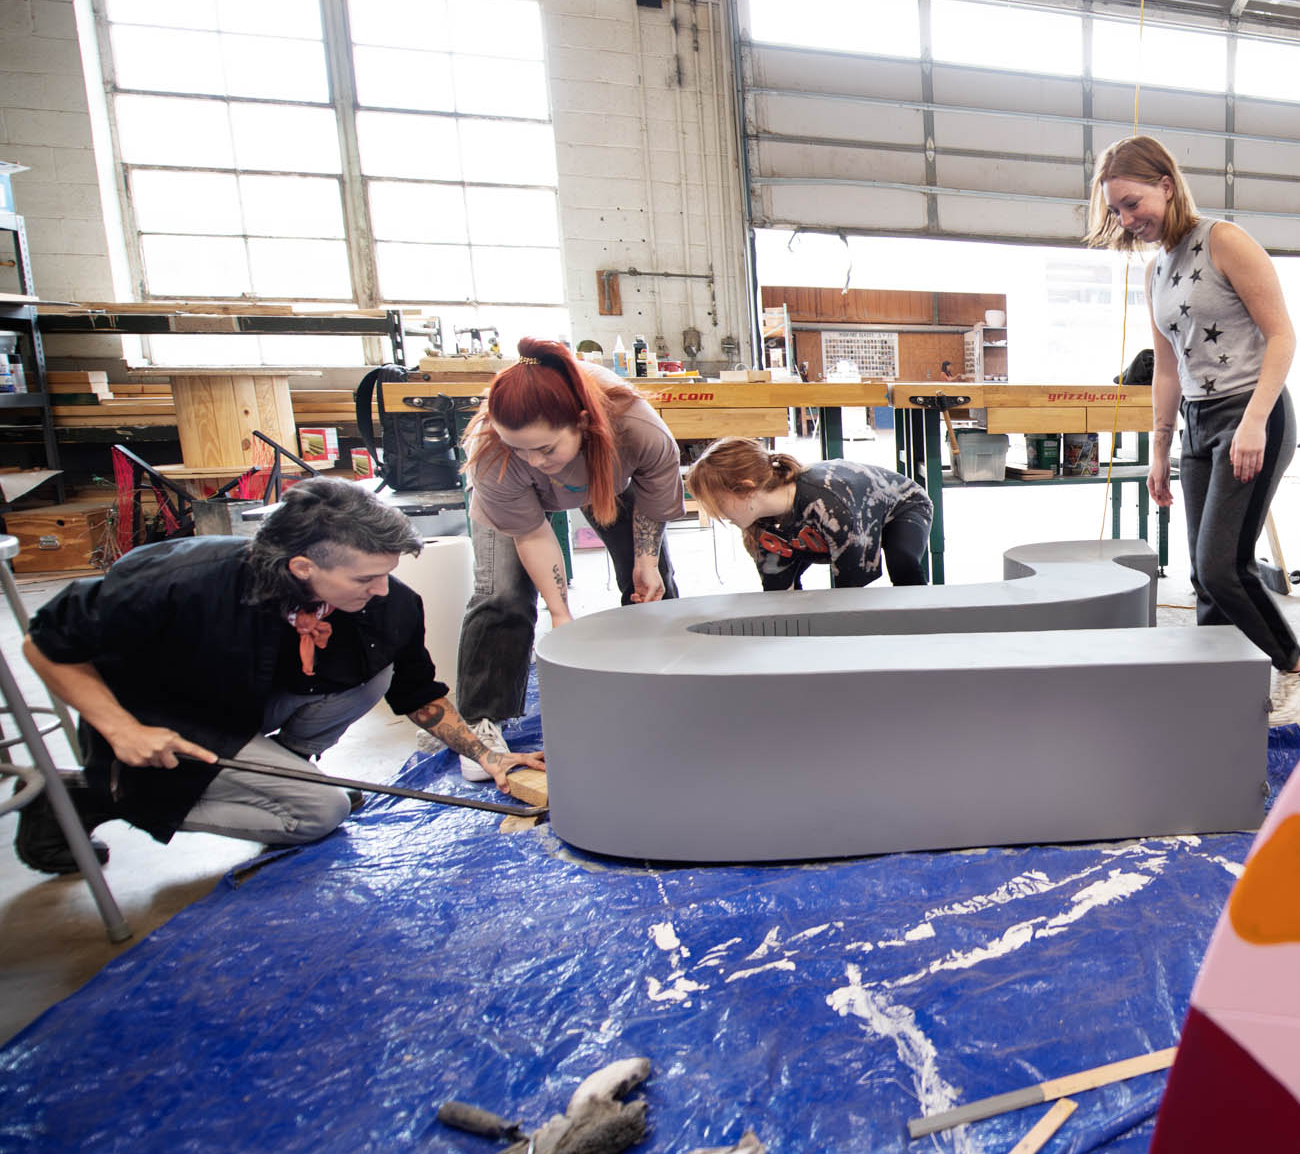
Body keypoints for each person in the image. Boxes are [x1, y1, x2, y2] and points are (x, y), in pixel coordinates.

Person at [14, 479, 544, 873]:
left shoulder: (388, 604)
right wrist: (121, 730)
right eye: (366, 577)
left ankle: (289, 770)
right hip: (164, 717)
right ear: (302, 568)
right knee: (321, 814)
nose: (382, 590)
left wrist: (488, 755)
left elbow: (417, 694)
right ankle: (92, 796)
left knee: (374, 678)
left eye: (388, 573)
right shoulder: (180, 581)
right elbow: (43, 645)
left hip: (250, 703)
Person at [1087, 133, 1300, 725]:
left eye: (1132, 202)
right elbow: (1166, 367)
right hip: (1197, 423)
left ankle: (1299, 670)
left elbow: (1283, 337)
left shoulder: (1223, 241)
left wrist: (1252, 424)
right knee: (1203, 574)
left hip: (1253, 411)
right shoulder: (1156, 273)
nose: (1126, 218)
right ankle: (1214, 693)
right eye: (1116, 209)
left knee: (1224, 566)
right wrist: (1159, 449)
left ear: (1166, 186)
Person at [452, 337, 685, 779]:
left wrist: (646, 561)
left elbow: (653, 504)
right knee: (501, 593)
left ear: (582, 423)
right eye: (519, 448)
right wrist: (559, 612)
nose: (533, 461)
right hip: (517, 504)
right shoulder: (493, 451)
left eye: (544, 448)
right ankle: (483, 721)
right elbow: (532, 533)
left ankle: (659, 691)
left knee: (653, 585)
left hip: (604, 479)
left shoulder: (638, 429)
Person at [686, 438, 933, 591]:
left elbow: (853, 590)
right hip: (830, 524)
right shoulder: (757, 523)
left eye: (718, 502)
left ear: (748, 489)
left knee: (902, 562)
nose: (718, 513)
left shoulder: (830, 507)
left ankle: (926, 627)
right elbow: (779, 591)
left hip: (900, 506)